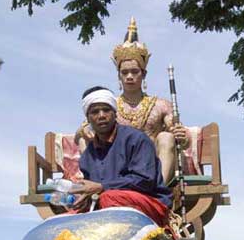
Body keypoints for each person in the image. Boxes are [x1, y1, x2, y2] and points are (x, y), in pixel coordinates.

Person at [75, 17, 188, 184]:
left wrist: (181, 136)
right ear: (118, 75)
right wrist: (83, 131)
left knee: (165, 137)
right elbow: (83, 130)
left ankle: (158, 189)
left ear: (143, 74)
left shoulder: (161, 105)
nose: (129, 76)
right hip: (117, 164)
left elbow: (179, 136)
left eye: (135, 71)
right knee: (87, 138)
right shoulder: (108, 107)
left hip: (151, 166)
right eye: (124, 72)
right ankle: (94, 183)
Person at [72, 86, 173, 227]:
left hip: (150, 203)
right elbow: (93, 191)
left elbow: (145, 181)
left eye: (106, 110)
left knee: (108, 197)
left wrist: (102, 187)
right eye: (95, 112)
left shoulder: (136, 139)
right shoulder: (88, 155)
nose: (101, 115)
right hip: (107, 208)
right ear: (88, 118)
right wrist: (84, 198)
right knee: (65, 220)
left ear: (115, 113)